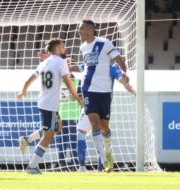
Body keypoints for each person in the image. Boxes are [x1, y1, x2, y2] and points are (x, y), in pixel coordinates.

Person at [17, 39, 83, 174]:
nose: (65, 50)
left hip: (44, 102)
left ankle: (28, 139)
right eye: (63, 48)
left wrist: (24, 90)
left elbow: (29, 79)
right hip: (50, 105)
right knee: (48, 136)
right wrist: (78, 99)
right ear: (58, 49)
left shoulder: (44, 63)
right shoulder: (61, 62)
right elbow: (69, 84)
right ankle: (32, 166)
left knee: (57, 127)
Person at [76, 20, 126, 173]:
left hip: (104, 92)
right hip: (89, 90)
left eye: (82, 28)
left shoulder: (105, 43)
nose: (79, 30)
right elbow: (87, 67)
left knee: (105, 128)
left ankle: (108, 148)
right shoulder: (83, 47)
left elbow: (117, 59)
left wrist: (124, 72)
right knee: (94, 123)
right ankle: (104, 160)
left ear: (91, 29)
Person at [75, 63, 136, 172]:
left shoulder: (112, 67)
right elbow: (75, 67)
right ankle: (82, 166)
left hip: (103, 104)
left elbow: (124, 83)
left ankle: (101, 167)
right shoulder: (90, 63)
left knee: (103, 131)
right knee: (81, 132)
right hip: (89, 105)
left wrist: (135, 92)